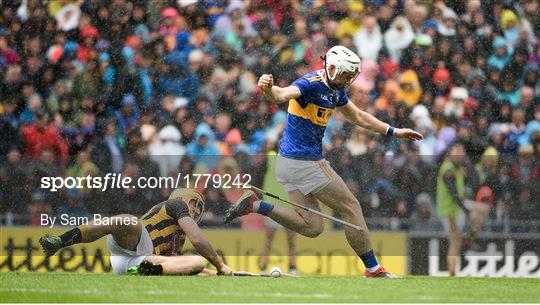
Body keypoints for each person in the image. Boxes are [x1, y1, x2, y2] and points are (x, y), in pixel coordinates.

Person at [225, 45, 422, 278]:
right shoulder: (309, 84)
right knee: (351, 206)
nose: (348, 80)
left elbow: (358, 116)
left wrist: (394, 131)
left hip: (287, 164)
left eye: (351, 76)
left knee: (312, 227)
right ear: (330, 68)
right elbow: (281, 95)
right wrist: (268, 89)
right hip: (305, 162)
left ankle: (255, 205)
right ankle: (373, 268)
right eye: (345, 75)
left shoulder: (335, 89)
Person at [39, 188, 233, 276]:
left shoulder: (178, 237)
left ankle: (147, 272)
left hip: (135, 264)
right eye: (195, 203)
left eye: (200, 208)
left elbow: (186, 267)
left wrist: (217, 273)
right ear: (182, 197)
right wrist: (219, 264)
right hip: (138, 240)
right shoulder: (176, 205)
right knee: (127, 221)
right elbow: (198, 240)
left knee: (197, 262)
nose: (197, 210)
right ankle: (60, 240)